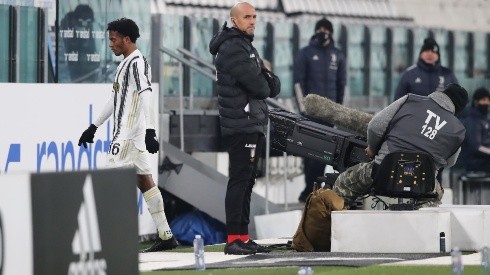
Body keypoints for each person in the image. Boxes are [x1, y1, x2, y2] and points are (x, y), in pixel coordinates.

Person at [77, 18, 178, 253]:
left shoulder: (136, 63)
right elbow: (116, 99)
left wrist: (152, 129)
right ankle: (166, 234)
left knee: (109, 184)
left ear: (126, 39)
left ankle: (112, 243)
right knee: (145, 181)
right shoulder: (125, 64)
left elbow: (146, 94)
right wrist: (94, 126)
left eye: (113, 40)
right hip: (133, 136)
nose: (110, 44)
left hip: (126, 136)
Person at [209, 2, 280, 255]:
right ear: (234, 20)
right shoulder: (233, 48)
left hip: (250, 123)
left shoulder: (243, 44)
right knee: (240, 180)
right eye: (247, 17)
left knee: (247, 180)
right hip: (241, 124)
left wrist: (265, 75)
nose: (252, 21)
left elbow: (272, 85)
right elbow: (263, 88)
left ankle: (243, 235)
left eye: (254, 16)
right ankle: (233, 239)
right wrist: (265, 73)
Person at [332, 84, 468, 208]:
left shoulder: (410, 100)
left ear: (443, 93)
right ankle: (422, 229)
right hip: (423, 183)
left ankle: (337, 229)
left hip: (382, 173)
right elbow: (450, 162)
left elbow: (375, 126)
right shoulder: (458, 130)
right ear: (459, 108)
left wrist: (373, 148)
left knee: (343, 183)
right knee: (435, 196)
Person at [293, 18, 347, 203]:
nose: (323, 32)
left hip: (329, 115)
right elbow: (298, 82)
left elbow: (342, 84)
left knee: (326, 153)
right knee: (309, 152)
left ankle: (314, 187)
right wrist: (303, 108)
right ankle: (310, 186)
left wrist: (339, 112)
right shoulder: (305, 53)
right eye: (320, 29)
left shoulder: (337, 55)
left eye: (326, 29)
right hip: (310, 115)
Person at [394, 37, 458, 100]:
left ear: (438, 55)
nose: (430, 54)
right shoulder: (410, 73)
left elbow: (458, 99)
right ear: (421, 54)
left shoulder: (448, 74)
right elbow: (398, 100)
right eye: (427, 51)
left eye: (433, 52)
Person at [459, 87, 490, 173]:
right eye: (483, 100)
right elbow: (476, 147)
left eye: (488, 100)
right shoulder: (472, 120)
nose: (487, 103)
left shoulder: (484, 119)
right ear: (476, 102)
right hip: (475, 162)